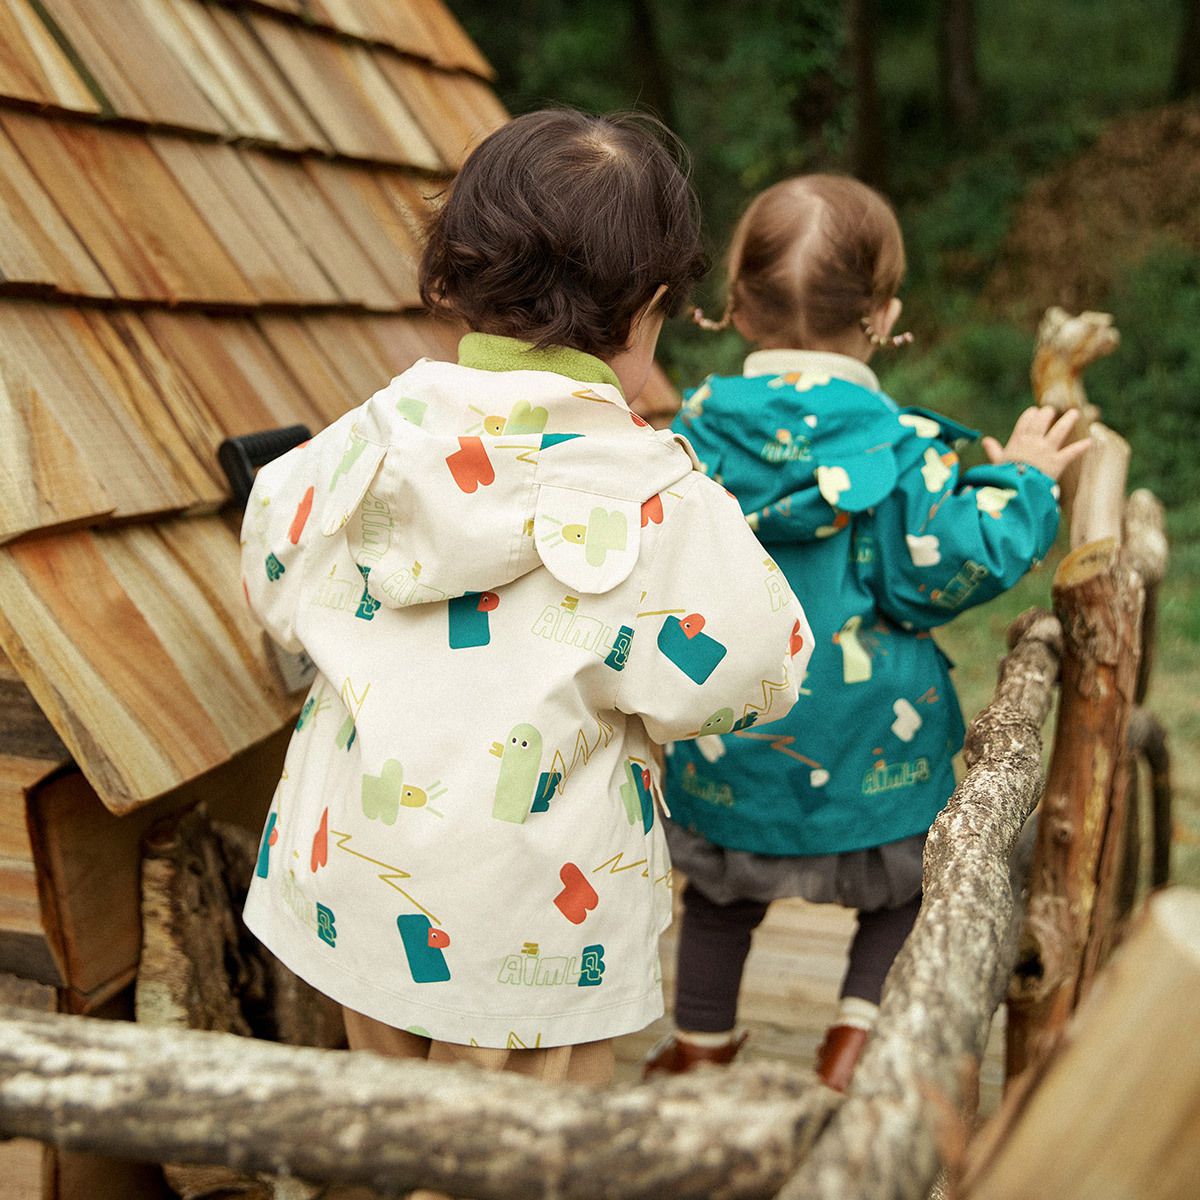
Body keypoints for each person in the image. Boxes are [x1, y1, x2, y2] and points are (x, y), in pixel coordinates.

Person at [239, 110, 812, 1094]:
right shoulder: (660, 497)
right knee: (538, 1159)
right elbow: (760, 667)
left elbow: (273, 576)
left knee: (401, 1119)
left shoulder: (367, 438)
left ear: (450, 278)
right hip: (546, 920)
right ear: (652, 309)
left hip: (358, 884)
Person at [645, 174, 1087, 1091]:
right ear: (883, 315)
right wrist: (1025, 483)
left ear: (737, 300)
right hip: (871, 747)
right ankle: (852, 1043)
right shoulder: (899, 447)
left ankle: (699, 1048)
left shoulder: (689, 432)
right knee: (909, 892)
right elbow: (939, 569)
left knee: (720, 903)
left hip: (734, 740)